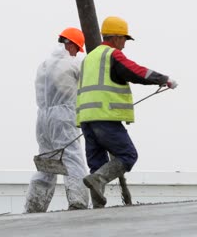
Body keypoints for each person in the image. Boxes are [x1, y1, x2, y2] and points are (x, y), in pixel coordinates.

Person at [76, 16, 178, 208]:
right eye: (124, 39)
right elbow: (135, 71)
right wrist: (163, 79)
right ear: (115, 37)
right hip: (105, 116)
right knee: (128, 155)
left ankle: (97, 207)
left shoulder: (89, 58)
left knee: (97, 164)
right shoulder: (112, 55)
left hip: (86, 119)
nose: (124, 44)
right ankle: (99, 179)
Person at [25, 27, 89, 213]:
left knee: (47, 163)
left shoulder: (43, 64)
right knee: (72, 157)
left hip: (43, 118)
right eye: (77, 49)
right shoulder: (73, 63)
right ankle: (78, 201)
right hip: (63, 116)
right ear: (72, 45)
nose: (77, 52)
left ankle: (34, 206)